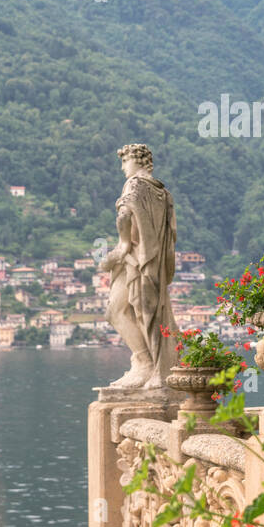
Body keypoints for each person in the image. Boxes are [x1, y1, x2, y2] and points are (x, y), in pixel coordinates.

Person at [101, 144, 178, 389]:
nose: (123, 168)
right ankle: (147, 363)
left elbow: (124, 216)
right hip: (152, 261)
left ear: (138, 161)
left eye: (125, 162)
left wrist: (122, 247)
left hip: (135, 259)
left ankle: (146, 363)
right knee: (145, 313)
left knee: (119, 311)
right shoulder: (162, 193)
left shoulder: (135, 184)